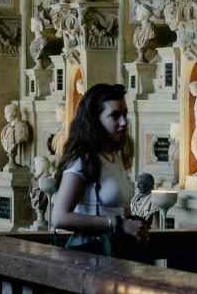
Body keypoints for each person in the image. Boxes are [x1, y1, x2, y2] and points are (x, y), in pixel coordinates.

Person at [50, 83, 149, 258]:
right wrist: (117, 224)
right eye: (115, 116)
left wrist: (134, 222)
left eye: (125, 114)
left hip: (117, 252)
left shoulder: (116, 156)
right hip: (91, 256)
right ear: (95, 120)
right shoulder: (83, 159)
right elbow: (59, 217)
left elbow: (116, 208)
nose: (124, 122)